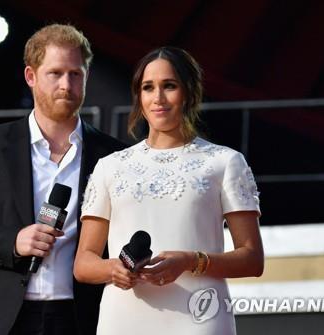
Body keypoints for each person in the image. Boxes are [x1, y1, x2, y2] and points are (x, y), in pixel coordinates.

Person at [0, 24, 125, 335]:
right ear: (31, 76)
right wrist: (13, 241)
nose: (66, 84)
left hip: (80, 317)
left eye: (76, 74)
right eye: (56, 73)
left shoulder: (114, 155)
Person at [74, 46, 264, 335]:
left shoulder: (225, 162)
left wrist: (190, 261)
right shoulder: (109, 167)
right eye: (148, 88)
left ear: (188, 92)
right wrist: (114, 269)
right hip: (123, 320)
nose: (158, 98)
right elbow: (83, 263)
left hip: (199, 317)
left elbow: (252, 259)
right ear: (139, 96)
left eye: (169, 86)